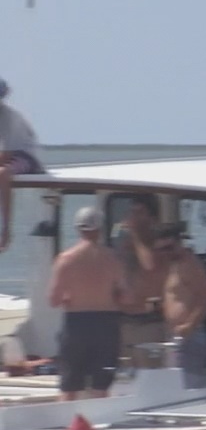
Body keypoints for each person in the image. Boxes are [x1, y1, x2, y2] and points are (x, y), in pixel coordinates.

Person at [47, 207, 127, 400]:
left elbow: (53, 300)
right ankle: (99, 424)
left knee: (69, 386)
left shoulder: (66, 259)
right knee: (101, 385)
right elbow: (126, 297)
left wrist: (70, 297)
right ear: (100, 229)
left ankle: (68, 425)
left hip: (76, 324)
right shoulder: (113, 258)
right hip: (106, 325)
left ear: (77, 229)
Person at [149, 223, 206, 386]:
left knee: (185, 387)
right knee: (173, 385)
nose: (166, 253)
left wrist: (189, 325)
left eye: (170, 247)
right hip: (176, 335)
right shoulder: (175, 265)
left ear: (180, 242)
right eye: (162, 249)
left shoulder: (190, 264)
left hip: (189, 336)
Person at [115, 195, 167, 368]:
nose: (134, 217)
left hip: (150, 325)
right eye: (132, 213)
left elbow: (150, 267)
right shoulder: (126, 246)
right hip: (125, 324)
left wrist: (136, 235)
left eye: (140, 213)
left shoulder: (160, 245)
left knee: (150, 374)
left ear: (152, 218)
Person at [0, 78, 45, 252]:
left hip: (26, 157)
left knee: (3, 173)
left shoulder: (9, 118)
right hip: (8, 155)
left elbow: (6, 155)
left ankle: (6, 230)